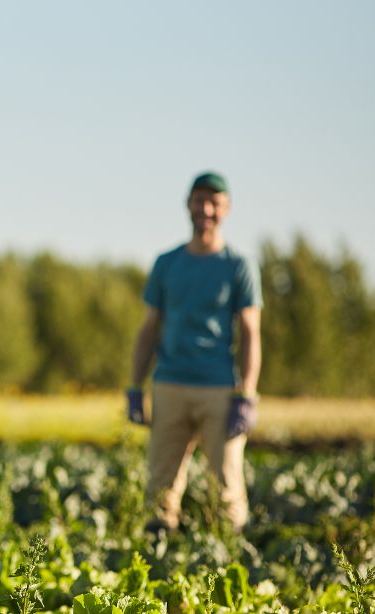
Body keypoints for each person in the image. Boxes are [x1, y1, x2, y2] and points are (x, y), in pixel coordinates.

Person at [126, 171, 262, 532]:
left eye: (214, 203)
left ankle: (230, 551)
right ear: (188, 204)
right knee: (160, 487)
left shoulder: (238, 266)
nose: (206, 209)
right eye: (200, 200)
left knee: (227, 486)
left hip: (219, 389)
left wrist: (247, 394)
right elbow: (149, 328)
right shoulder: (167, 263)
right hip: (169, 385)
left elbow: (250, 331)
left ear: (226, 209)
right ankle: (158, 554)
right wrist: (135, 386)